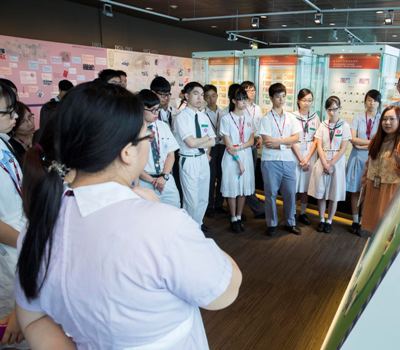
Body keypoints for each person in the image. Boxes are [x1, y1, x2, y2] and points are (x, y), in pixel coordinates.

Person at [15, 81, 242, 349]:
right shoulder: (162, 224)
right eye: (147, 136)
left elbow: (33, 320)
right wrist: (185, 227)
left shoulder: (38, 226)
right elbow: (224, 291)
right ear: (127, 151)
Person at [360, 106, 400, 234]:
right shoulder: (378, 139)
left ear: (399, 120)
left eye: (391, 119)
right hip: (373, 187)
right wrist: (364, 183)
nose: (387, 122)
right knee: (373, 229)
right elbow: (369, 163)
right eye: (384, 119)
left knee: (385, 230)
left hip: (390, 190)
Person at [0, 81, 26, 348]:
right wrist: (24, 241)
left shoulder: (4, 143)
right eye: (8, 112)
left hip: (19, 239)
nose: (15, 117)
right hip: (9, 247)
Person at [259, 83, 301, 236]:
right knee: (270, 194)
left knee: (290, 193)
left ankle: (290, 222)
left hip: (289, 161)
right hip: (270, 162)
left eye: (284, 96)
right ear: (271, 98)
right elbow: (268, 142)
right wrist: (286, 142)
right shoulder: (266, 119)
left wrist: (280, 142)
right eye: (278, 97)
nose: (281, 99)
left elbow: (297, 137)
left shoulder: (291, 117)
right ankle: (272, 223)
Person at [174, 82, 216, 231]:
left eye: (201, 94)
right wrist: (204, 139)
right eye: (195, 93)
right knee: (191, 200)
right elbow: (191, 143)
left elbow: (213, 140)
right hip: (189, 159)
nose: (200, 97)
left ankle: (196, 227)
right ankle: (188, 229)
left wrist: (203, 141)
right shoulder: (181, 117)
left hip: (203, 159)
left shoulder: (203, 116)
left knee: (203, 198)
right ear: (186, 95)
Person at [308, 96, 351, 233]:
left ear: (340, 108)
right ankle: (321, 219)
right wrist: (325, 163)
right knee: (320, 192)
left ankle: (330, 220)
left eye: (335, 109)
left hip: (337, 163)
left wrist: (331, 163)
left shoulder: (345, 125)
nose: (332, 112)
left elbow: (344, 148)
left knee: (334, 193)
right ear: (326, 110)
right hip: (323, 160)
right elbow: (318, 145)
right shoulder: (322, 125)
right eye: (330, 109)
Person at [345, 89, 381, 235]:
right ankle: (354, 220)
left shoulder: (382, 118)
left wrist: (364, 144)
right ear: (365, 101)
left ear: (379, 103)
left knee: (366, 192)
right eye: (369, 100)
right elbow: (353, 139)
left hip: (372, 159)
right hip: (356, 158)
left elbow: (380, 141)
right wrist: (371, 142)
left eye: (374, 100)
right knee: (355, 191)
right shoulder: (358, 117)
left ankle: (362, 221)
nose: (371, 103)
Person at [137, 89, 180, 208]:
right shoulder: (133, 130)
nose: (156, 113)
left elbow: (171, 155)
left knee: (174, 210)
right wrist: (152, 181)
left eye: (157, 109)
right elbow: (134, 163)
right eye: (152, 110)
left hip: (165, 179)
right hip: (144, 181)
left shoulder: (163, 126)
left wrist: (164, 176)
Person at [220, 88, 255, 233]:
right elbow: (228, 145)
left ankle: (239, 216)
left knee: (243, 188)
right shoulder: (226, 119)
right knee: (232, 188)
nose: (244, 102)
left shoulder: (249, 118)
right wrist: (238, 160)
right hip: (231, 158)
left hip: (245, 155)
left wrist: (240, 146)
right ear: (234, 101)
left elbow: (252, 140)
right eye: (241, 99)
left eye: (245, 99)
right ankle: (233, 217)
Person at [291, 88, 320, 225]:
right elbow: (290, 139)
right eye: (304, 100)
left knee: (305, 186)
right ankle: (291, 212)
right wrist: (300, 158)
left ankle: (302, 212)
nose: (307, 103)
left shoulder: (315, 117)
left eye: (309, 100)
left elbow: (316, 139)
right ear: (298, 100)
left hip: (310, 154)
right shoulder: (292, 116)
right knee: (294, 185)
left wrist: (307, 158)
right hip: (295, 152)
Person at [241, 81, 265, 219]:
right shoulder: (241, 107)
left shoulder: (258, 108)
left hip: (254, 142)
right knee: (244, 175)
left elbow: (259, 125)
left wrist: (260, 137)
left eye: (254, 90)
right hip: (243, 144)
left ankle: (251, 198)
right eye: (249, 90)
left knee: (251, 175)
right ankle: (252, 205)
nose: (252, 92)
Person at [204, 84, 225, 216]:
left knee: (222, 176)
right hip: (209, 147)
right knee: (210, 177)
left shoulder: (223, 113)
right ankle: (209, 206)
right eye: (208, 97)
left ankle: (219, 204)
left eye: (213, 96)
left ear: (217, 96)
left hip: (222, 146)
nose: (211, 99)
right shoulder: (203, 114)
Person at [8, 102, 35, 166]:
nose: (30, 124)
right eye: (23, 122)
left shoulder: (39, 136)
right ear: (14, 125)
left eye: (30, 116)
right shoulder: (12, 147)